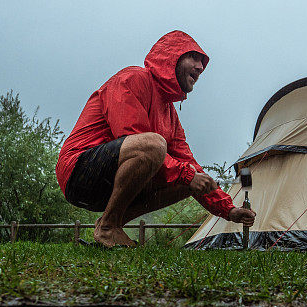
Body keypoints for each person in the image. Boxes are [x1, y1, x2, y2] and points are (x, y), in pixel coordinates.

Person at [56, 30, 256, 247]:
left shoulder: (170, 115)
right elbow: (132, 136)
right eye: (194, 58)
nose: (201, 67)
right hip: (80, 172)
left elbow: (190, 165)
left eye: (203, 63)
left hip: (112, 182)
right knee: (155, 146)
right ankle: (108, 228)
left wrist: (229, 210)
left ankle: (110, 224)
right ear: (174, 57)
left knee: (192, 180)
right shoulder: (132, 78)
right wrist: (186, 173)